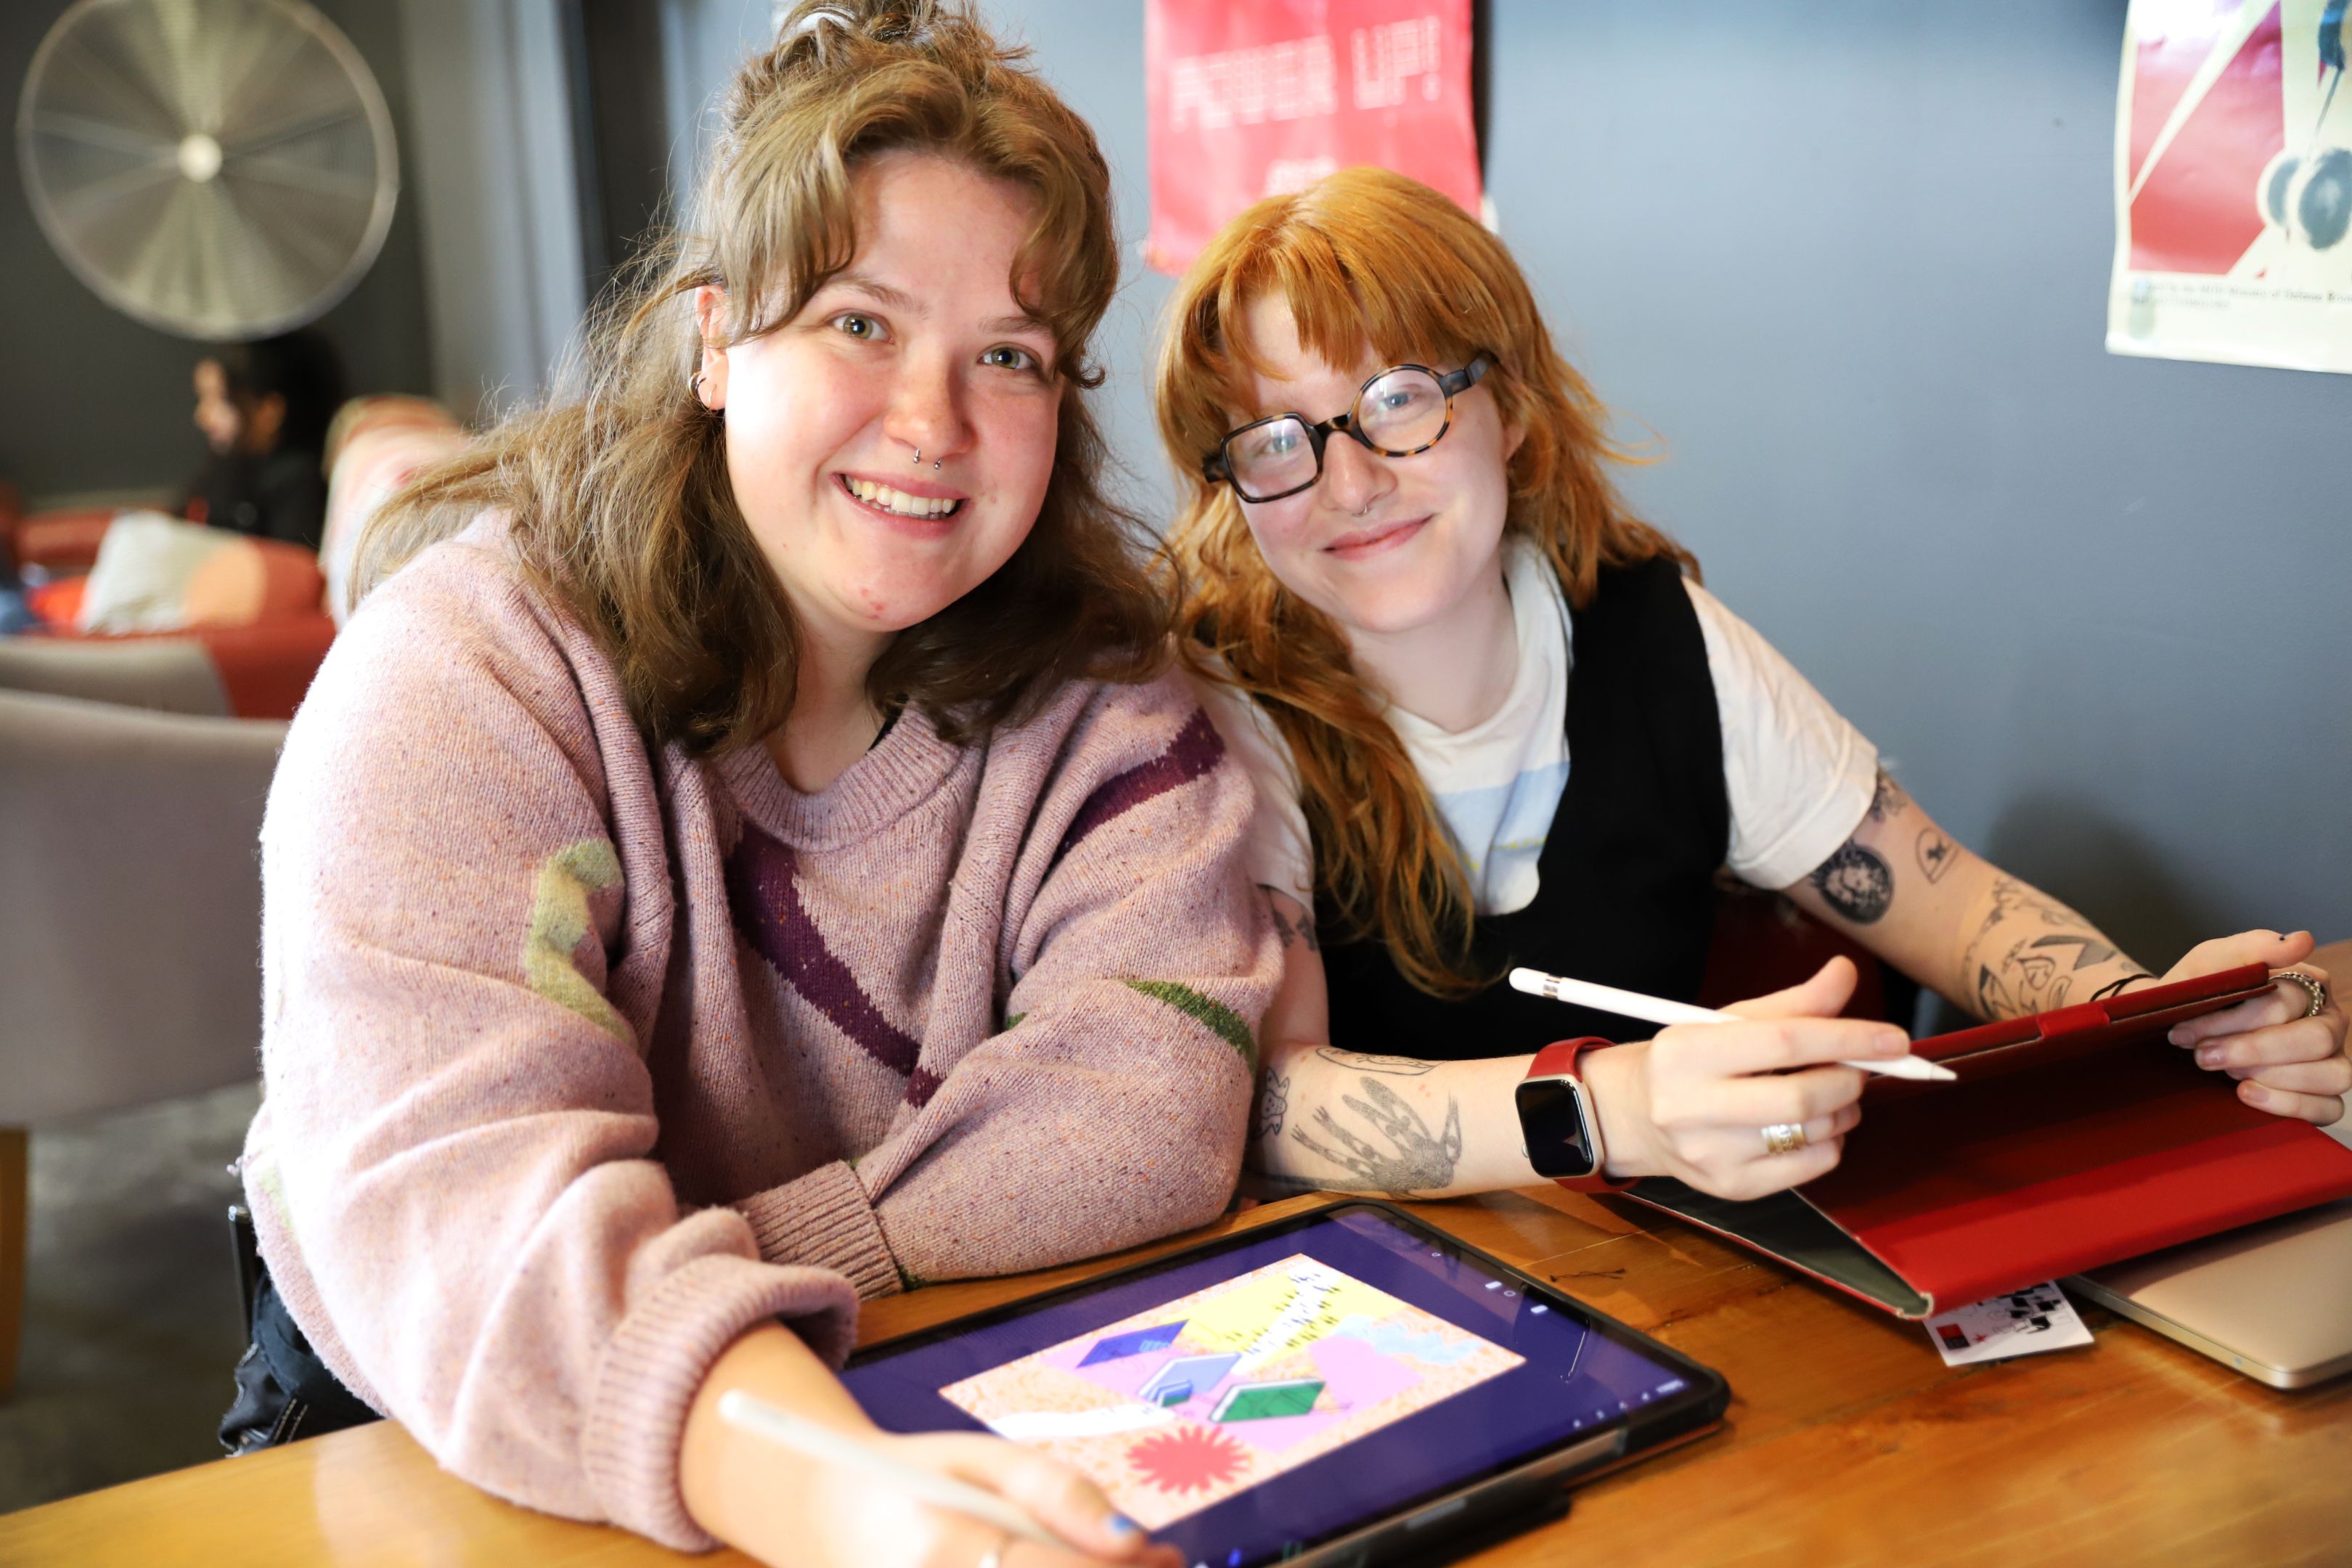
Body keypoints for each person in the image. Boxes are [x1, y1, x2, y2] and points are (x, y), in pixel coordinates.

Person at [227, 8, 1272, 1567]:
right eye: (861, 322)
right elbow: (467, 1235)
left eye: (1009, 355)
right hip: (437, 1430)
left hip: (914, 1401)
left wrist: (734, 1267)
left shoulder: (1104, 695)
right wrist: (826, 1475)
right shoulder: (464, 670)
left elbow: (1157, 1106)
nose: (935, 425)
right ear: (715, 339)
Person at [1156, 167, 2349, 1206]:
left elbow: (1962, 911)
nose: (1349, 481)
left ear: (1508, 407)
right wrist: (1614, 1108)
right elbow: (1266, 1100)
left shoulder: (1655, 637)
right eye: (1275, 440)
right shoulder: (1211, 708)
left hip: (1662, 1285)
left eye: (1397, 401)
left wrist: (2171, 1021)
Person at [181, 327, 346, 550]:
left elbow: (291, 564)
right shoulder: (229, 465)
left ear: (269, 411)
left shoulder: (297, 481)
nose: (202, 417)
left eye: (220, 401)